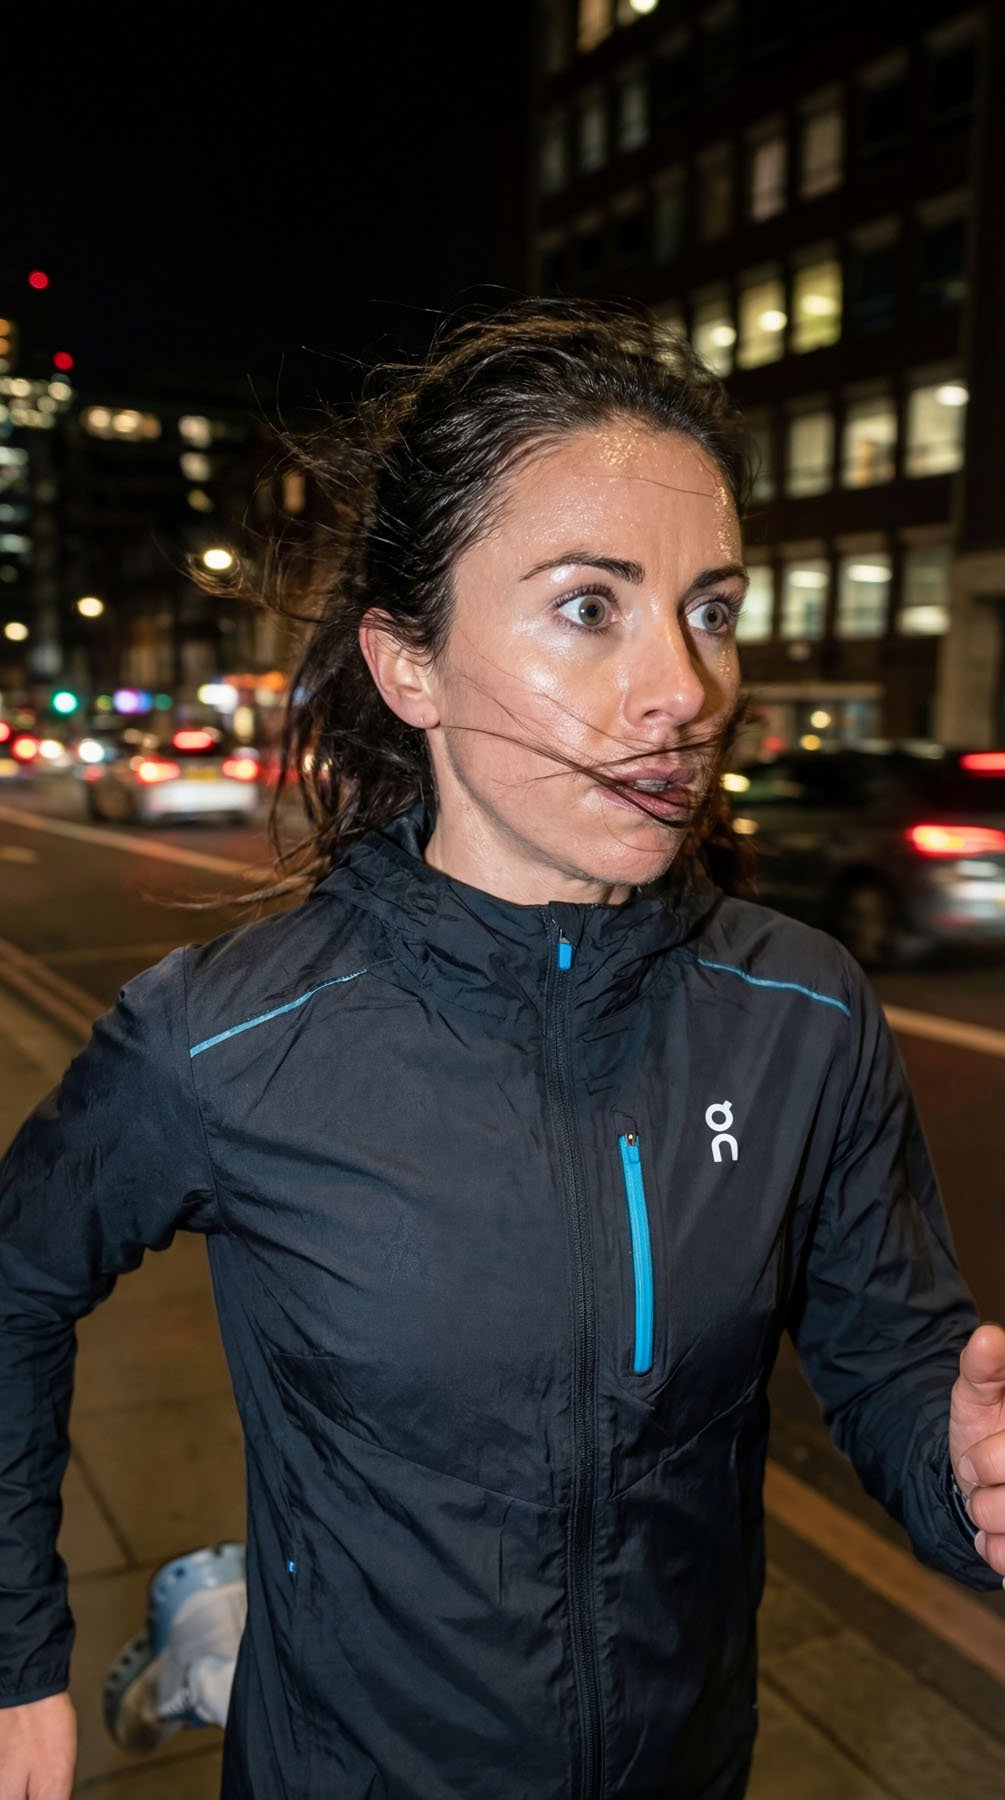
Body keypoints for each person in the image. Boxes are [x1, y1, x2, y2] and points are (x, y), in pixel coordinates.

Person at [1, 298, 1003, 1800]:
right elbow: (13, 1285)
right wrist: (16, 1658)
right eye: (589, 605)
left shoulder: (801, 1010)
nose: (685, 689)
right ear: (410, 667)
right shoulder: (224, 1034)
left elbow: (889, 1361)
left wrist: (970, 1482)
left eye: (709, 608)